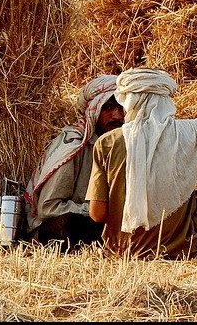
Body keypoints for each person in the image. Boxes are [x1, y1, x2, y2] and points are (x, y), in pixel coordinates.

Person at [86, 68, 197, 259]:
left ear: (127, 102)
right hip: (181, 251)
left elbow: (97, 214)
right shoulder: (193, 134)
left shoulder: (107, 142)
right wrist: (190, 178)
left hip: (121, 252)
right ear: (167, 100)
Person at [23, 74, 125, 251]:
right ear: (94, 111)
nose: (116, 116)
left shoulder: (122, 146)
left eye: (121, 108)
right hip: (56, 228)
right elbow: (49, 208)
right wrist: (97, 211)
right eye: (108, 108)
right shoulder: (74, 145)